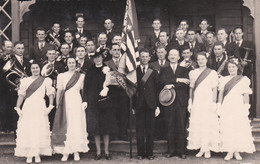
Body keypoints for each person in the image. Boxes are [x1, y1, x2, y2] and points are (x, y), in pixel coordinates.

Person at [14, 61, 55, 163]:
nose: (35, 69)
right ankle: (29, 154)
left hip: (40, 106)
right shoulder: (25, 81)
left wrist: (50, 106)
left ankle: (37, 154)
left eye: (37, 67)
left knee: (38, 129)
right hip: (28, 107)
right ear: (30, 69)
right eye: (33, 68)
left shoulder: (45, 80)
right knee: (29, 129)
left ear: (40, 69)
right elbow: (21, 95)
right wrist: (18, 108)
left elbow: (50, 94)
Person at [51, 57, 89, 162]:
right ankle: (65, 152)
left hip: (76, 101)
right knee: (66, 125)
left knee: (75, 125)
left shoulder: (81, 76)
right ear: (66, 64)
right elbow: (59, 91)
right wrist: (58, 104)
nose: (71, 64)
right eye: (69, 63)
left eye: (73, 63)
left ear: (76, 64)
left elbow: (84, 91)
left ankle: (76, 151)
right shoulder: (61, 76)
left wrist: (84, 102)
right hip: (65, 101)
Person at [217, 58, 255, 160]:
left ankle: (237, 151)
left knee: (237, 127)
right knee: (228, 127)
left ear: (237, 68)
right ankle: (229, 151)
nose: (231, 69)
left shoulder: (243, 79)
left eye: (233, 67)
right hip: (227, 104)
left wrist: (246, 107)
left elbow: (246, 95)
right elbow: (220, 94)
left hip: (238, 104)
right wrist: (219, 105)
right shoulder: (223, 79)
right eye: (229, 67)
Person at [83, 50, 118, 160]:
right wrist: (85, 100)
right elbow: (86, 87)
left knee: (106, 128)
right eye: (95, 58)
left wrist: (107, 88)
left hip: (106, 102)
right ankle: (98, 152)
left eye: (99, 57)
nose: (97, 59)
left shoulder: (108, 69)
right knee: (96, 129)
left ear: (102, 58)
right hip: (93, 103)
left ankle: (106, 152)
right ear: (93, 59)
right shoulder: (90, 70)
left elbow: (115, 84)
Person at [187, 52, 219, 158]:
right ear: (197, 61)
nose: (201, 61)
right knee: (199, 124)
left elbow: (214, 89)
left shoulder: (212, 73)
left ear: (206, 60)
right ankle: (201, 148)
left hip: (208, 100)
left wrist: (214, 102)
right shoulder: (193, 73)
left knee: (207, 124)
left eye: (203, 59)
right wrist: (190, 101)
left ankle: (207, 149)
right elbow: (191, 88)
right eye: (199, 59)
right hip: (197, 101)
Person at [159, 49, 190, 159]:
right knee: (170, 126)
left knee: (181, 126)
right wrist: (178, 79)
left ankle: (181, 151)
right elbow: (162, 81)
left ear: (178, 57)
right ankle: (171, 150)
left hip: (181, 102)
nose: (172, 56)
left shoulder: (184, 69)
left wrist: (172, 85)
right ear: (168, 57)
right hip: (169, 102)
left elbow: (186, 84)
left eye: (175, 55)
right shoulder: (164, 69)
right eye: (171, 54)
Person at [133, 48, 159, 160]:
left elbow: (157, 89)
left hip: (151, 104)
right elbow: (132, 90)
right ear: (139, 57)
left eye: (146, 56)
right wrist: (133, 106)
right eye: (142, 56)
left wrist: (157, 105)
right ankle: (140, 153)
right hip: (138, 105)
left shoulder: (153, 72)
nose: (144, 58)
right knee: (139, 130)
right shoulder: (134, 71)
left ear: (149, 58)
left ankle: (149, 153)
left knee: (150, 130)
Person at [104, 43, 129, 140]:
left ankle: (123, 134)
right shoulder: (106, 63)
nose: (116, 52)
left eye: (118, 50)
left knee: (124, 112)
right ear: (110, 52)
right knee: (112, 113)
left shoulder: (125, 63)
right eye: (114, 50)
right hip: (111, 91)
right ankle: (113, 134)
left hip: (123, 91)